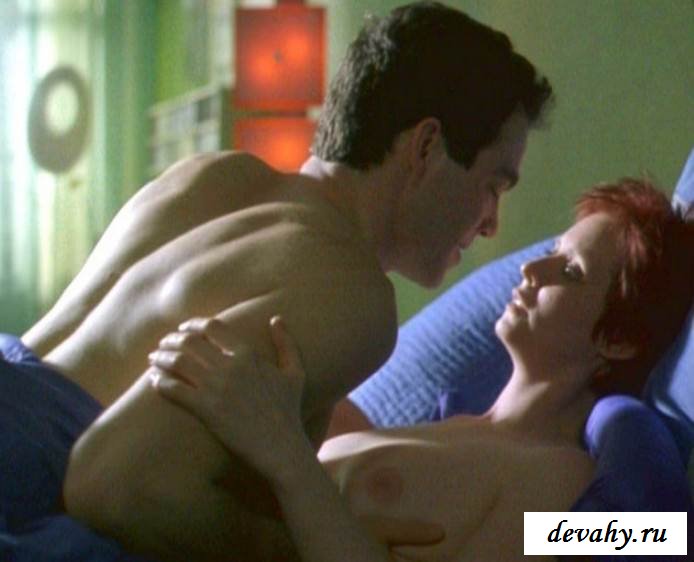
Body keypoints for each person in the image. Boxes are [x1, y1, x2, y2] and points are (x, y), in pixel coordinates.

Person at [45, 2, 553, 560]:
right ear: (427, 146)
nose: (496, 229)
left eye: (574, 268)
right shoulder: (351, 303)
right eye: (492, 186)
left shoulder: (215, 176)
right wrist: (298, 536)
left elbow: (616, 538)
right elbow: (112, 484)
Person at [147, 178, 694, 561]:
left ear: (618, 340)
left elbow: (657, 535)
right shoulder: (449, 425)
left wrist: (284, 455)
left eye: (569, 271)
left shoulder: (560, 482)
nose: (532, 267)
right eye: (552, 249)